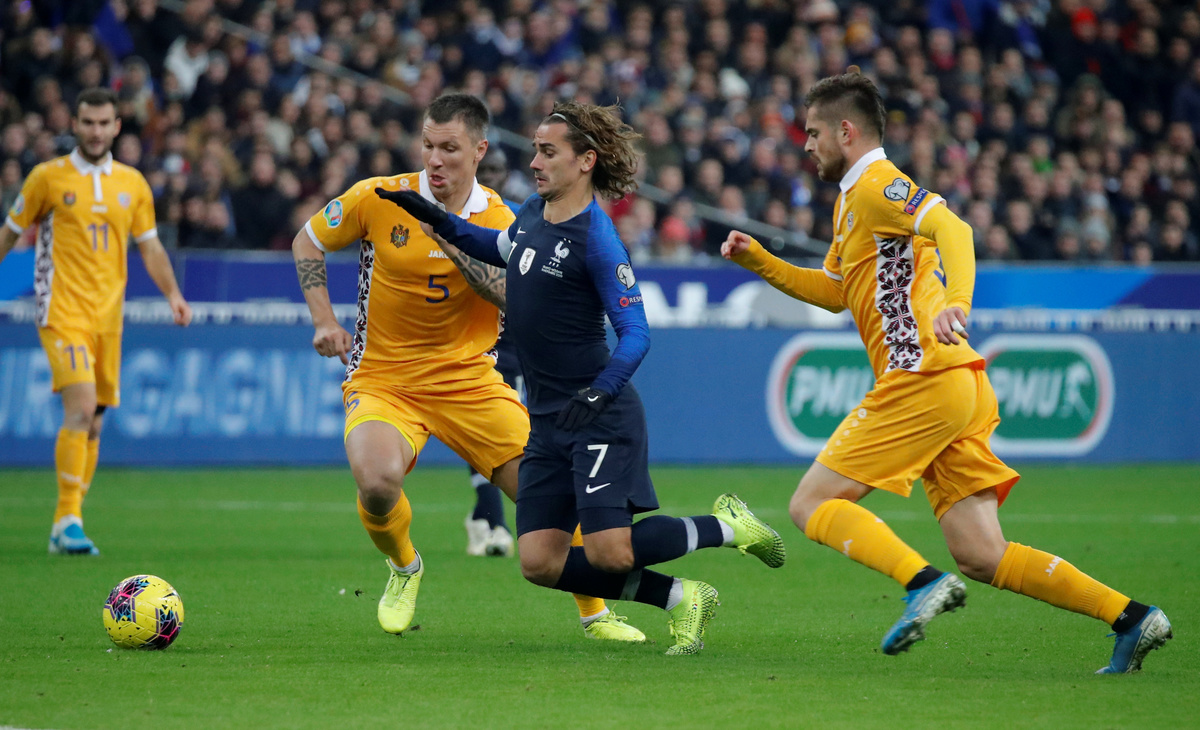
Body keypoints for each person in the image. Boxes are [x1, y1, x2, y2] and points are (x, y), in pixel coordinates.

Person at [722, 69, 1171, 674]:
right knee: (983, 554)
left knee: (810, 503)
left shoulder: (878, 185)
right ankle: (1132, 618)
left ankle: (921, 582)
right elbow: (833, 292)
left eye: (813, 133)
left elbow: (953, 227)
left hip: (922, 376)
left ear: (846, 131)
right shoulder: (851, 200)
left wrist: (958, 300)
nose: (806, 145)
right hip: (955, 383)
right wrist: (759, 260)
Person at [376, 101, 787, 655]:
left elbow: (636, 333)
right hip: (547, 420)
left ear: (585, 161)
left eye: (548, 152)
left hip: (599, 414)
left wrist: (600, 391)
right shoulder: (532, 212)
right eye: (535, 151)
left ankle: (728, 526)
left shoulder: (598, 239)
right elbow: (494, 247)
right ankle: (682, 597)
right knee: (540, 562)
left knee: (609, 552)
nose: (535, 163)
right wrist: (436, 219)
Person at [291, 93, 642, 642]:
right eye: (428, 145)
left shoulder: (505, 219)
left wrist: (449, 241)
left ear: (479, 151)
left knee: (550, 498)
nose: (435, 159)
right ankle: (404, 566)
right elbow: (308, 241)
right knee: (377, 482)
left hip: (469, 381)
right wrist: (323, 321)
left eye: (450, 148)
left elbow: (514, 296)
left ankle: (596, 614)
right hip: (385, 380)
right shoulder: (379, 198)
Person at [0, 87, 192, 555]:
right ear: (75, 123)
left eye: (104, 123)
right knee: (82, 408)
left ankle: (65, 525)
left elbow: (150, 246)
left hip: (109, 317)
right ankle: (68, 519)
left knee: (95, 423)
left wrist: (173, 294)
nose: (96, 131)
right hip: (61, 311)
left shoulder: (133, 183)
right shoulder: (48, 177)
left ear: (117, 126)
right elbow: (9, 233)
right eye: (88, 122)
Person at [462, 145, 519, 558]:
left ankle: (485, 516)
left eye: (498, 170)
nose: (491, 177)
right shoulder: (458, 216)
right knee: (479, 427)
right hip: (475, 336)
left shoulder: (517, 216)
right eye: (486, 170)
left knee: (512, 430)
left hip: (515, 337)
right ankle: (495, 521)